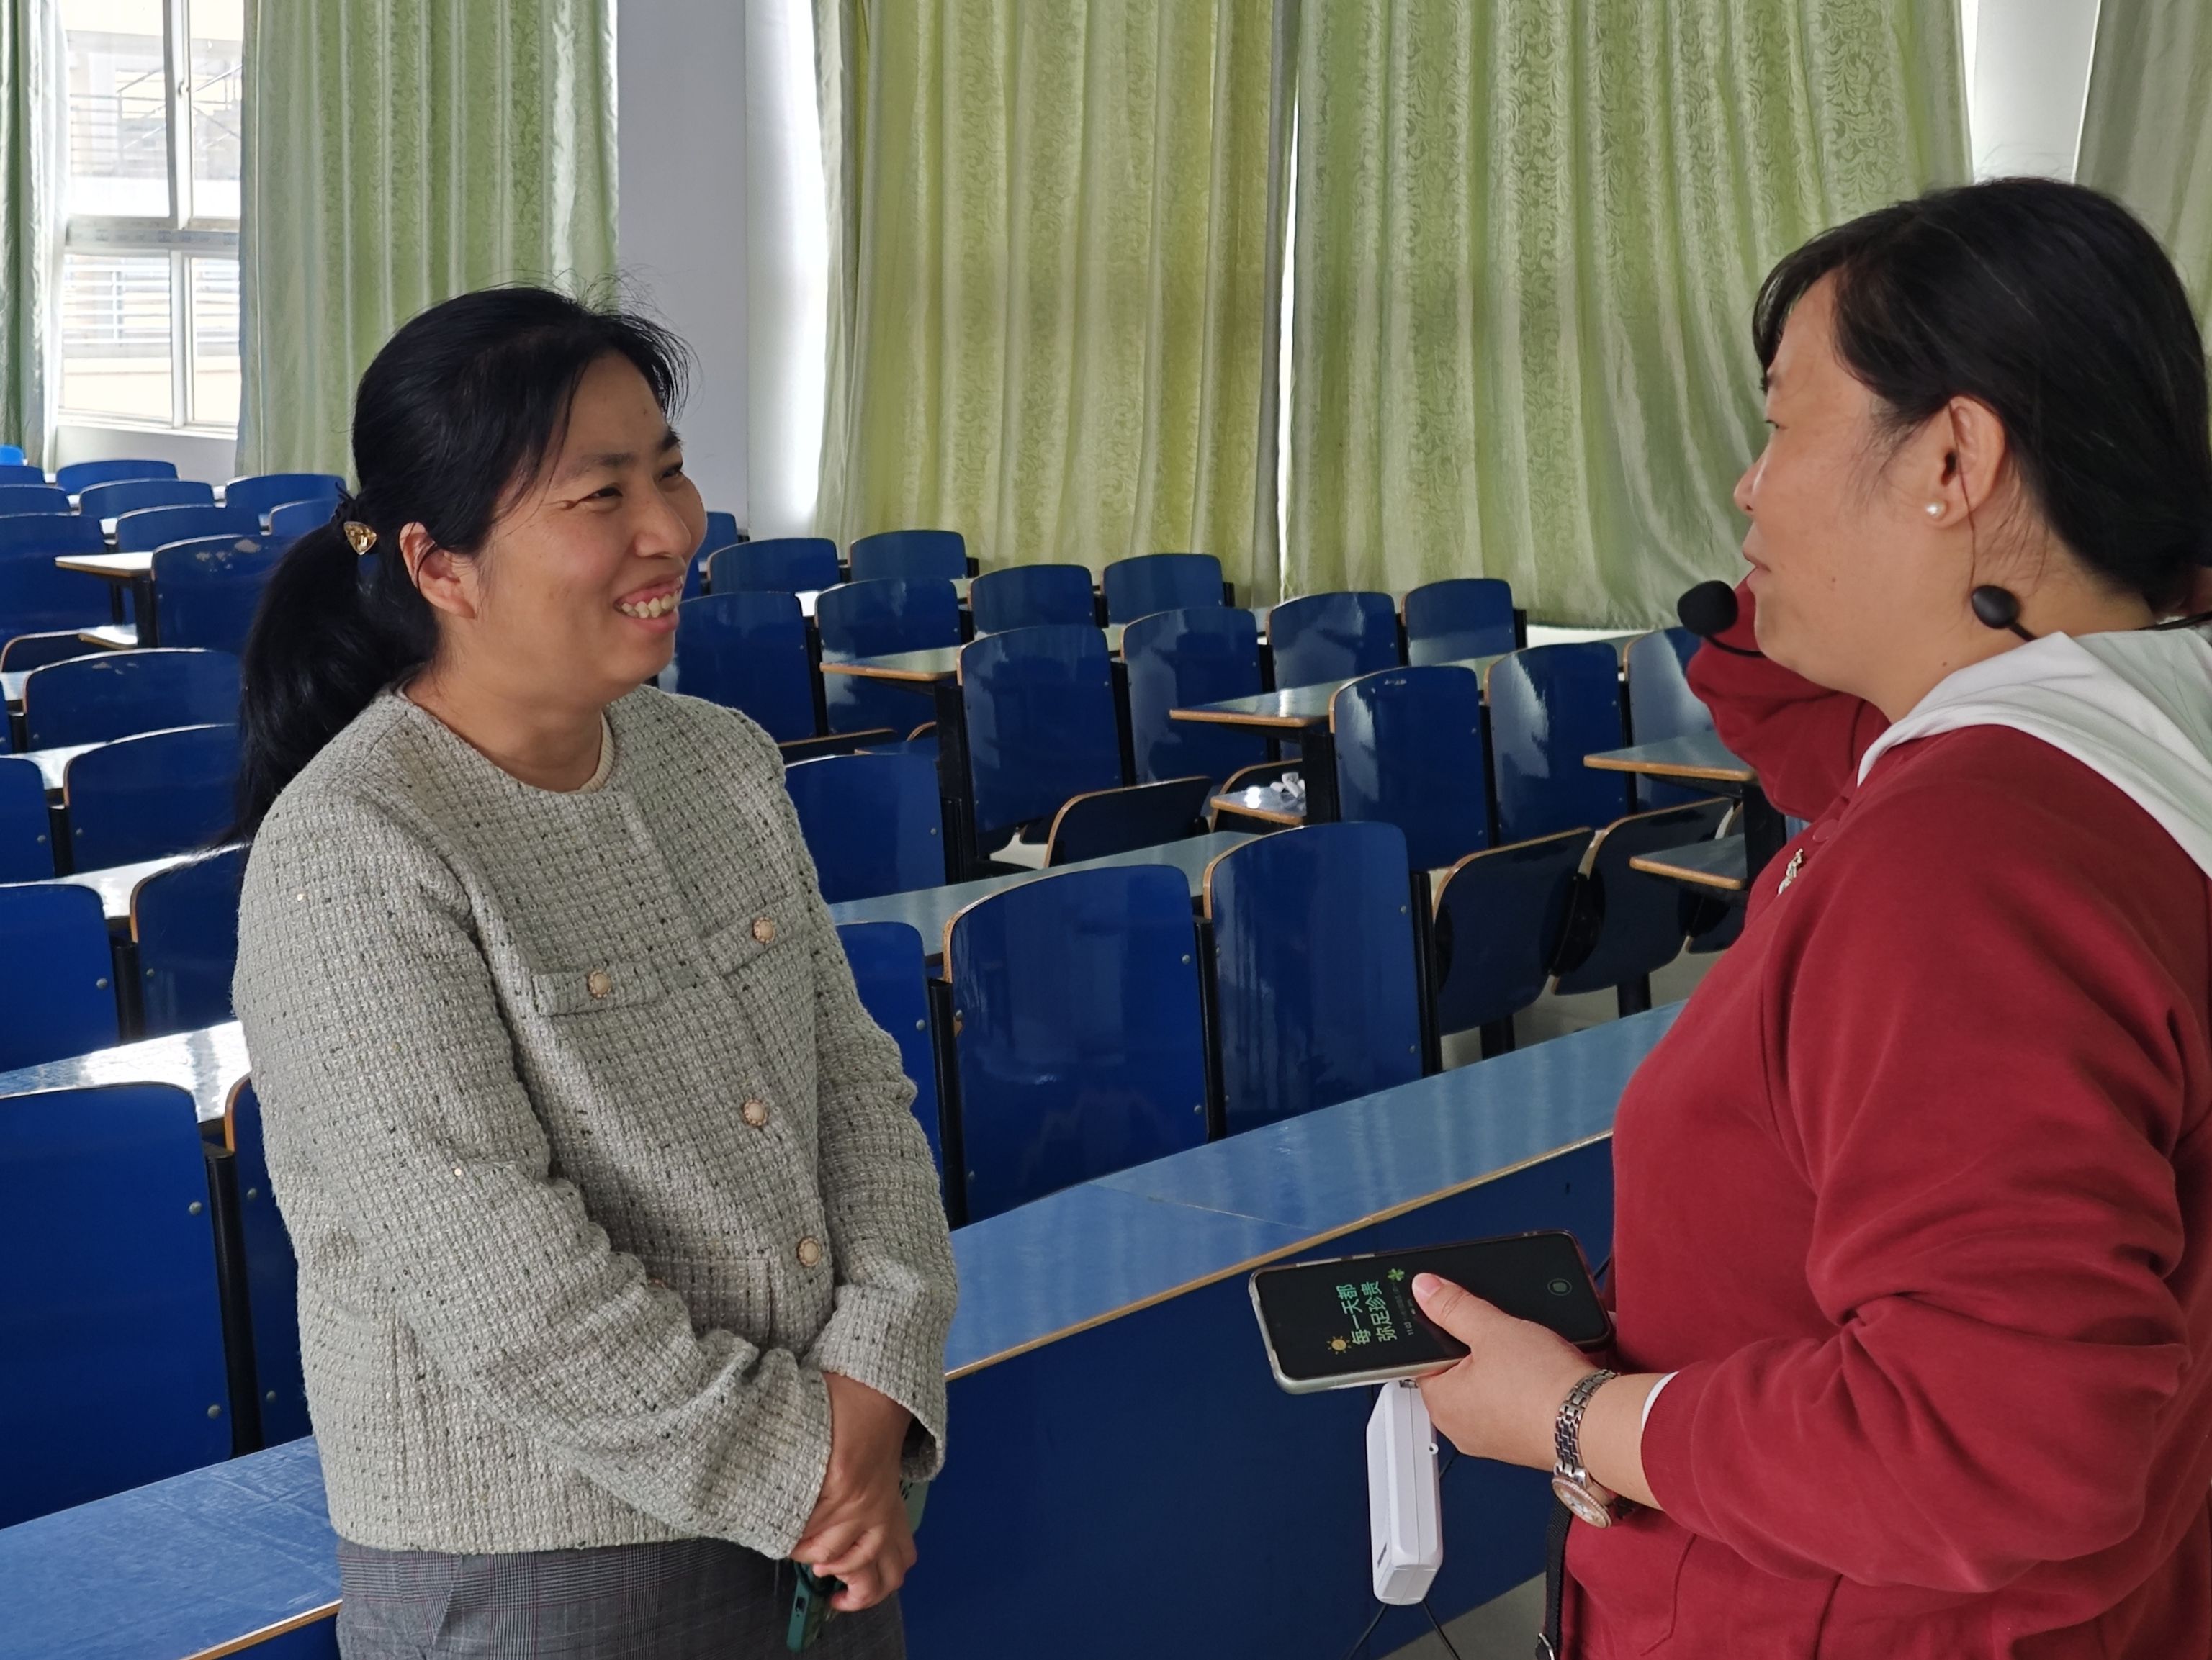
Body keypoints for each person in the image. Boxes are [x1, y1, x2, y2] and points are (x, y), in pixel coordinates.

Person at [1407, 179, 2212, 1656]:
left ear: (1954, 457)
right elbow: (1832, 744)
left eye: (1782, 424)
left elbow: (1988, 1435)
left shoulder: (1963, 867)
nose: (1747, 485)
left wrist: (1574, 1415)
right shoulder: (2146, 746)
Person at [230, 286, 957, 1659]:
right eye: (601, 494)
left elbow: (858, 1094)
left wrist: (878, 1377)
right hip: (540, 1567)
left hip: (825, 1513)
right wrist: (810, 1464)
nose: (671, 527)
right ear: (442, 565)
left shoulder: (719, 759)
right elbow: (502, 1284)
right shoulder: (356, 849)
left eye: (669, 471)